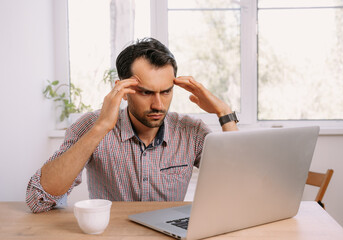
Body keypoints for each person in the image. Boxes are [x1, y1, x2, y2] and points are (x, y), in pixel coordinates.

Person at [26, 38, 238, 213]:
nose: (158, 104)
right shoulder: (92, 125)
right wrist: (101, 128)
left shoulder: (191, 132)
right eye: (146, 92)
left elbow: (237, 186)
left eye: (165, 92)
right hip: (112, 233)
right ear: (123, 90)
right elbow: (38, 199)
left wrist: (224, 113)